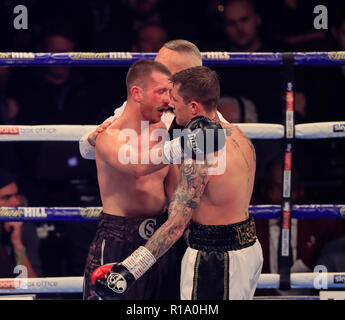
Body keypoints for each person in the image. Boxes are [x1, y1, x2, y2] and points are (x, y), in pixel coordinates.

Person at [92, 66, 263, 300]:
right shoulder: (240, 137)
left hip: (214, 259)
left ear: (193, 106)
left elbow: (176, 225)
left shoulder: (201, 154)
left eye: (175, 101)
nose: (170, 107)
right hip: (249, 249)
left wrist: (129, 270)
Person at [0, 169, 41, 278]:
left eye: (16, 195)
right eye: (6, 197)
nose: (16, 202)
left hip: (19, 294)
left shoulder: (23, 226)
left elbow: (32, 284)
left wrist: (17, 243)